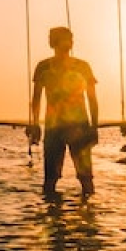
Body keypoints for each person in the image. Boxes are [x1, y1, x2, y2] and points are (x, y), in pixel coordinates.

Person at [28, 26, 99, 196]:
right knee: (50, 179)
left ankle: (88, 216)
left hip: (80, 127)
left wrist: (94, 127)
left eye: (72, 38)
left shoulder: (82, 66)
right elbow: (36, 99)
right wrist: (35, 124)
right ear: (54, 42)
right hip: (54, 128)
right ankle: (52, 216)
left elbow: (92, 99)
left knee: (86, 178)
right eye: (67, 38)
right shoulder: (43, 67)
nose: (71, 41)